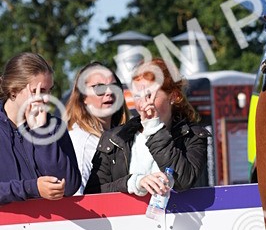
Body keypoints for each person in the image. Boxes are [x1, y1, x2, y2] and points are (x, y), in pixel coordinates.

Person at [85, 58, 208, 195]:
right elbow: (93, 192)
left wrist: (154, 129)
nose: (142, 103)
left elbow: (183, 181)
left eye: (149, 95)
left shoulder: (192, 136)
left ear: (173, 96)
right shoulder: (114, 138)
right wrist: (133, 182)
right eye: (137, 96)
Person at [0, 51, 80, 203]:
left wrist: (41, 133)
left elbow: (69, 186)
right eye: (39, 91)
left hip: (50, 225)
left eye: (49, 91)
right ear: (13, 89)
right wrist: (31, 188)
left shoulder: (54, 126)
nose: (46, 98)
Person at [65, 61, 129, 193]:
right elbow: (76, 196)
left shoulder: (123, 135)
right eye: (99, 87)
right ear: (83, 97)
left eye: (114, 86)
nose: (109, 92)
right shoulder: (82, 140)